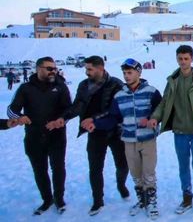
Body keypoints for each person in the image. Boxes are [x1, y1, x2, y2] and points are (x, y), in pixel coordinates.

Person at [51, 55, 128, 215]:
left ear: (101, 68)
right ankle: (97, 200)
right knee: (95, 168)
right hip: (94, 132)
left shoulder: (115, 84)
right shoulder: (84, 85)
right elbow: (78, 105)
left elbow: (117, 109)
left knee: (122, 165)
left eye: (90, 69)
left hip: (116, 131)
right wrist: (63, 118)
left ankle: (121, 185)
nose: (87, 72)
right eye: (86, 69)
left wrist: (94, 118)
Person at [93, 58, 163, 220]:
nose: (126, 76)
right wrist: (95, 124)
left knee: (149, 172)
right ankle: (142, 200)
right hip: (128, 140)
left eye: (130, 73)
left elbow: (161, 111)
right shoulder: (119, 95)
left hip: (147, 139)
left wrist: (153, 119)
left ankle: (151, 202)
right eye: (124, 73)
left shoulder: (151, 91)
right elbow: (113, 117)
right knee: (136, 173)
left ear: (139, 72)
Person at [148, 45, 193, 215]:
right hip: (180, 130)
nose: (183, 62)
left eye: (186, 58)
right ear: (177, 59)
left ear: (192, 59)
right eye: (180, 58)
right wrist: (155, 117)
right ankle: (186, 196)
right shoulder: (172, 80)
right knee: (183, 166)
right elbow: (164, 102)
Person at [7, 57, 71, 215]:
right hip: (34, 137)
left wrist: (61, 120)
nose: (53, 71)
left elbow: (69, 110)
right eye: (49, 68)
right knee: (39, 170)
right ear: (38, 69)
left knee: (58, 168)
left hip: (56, 136)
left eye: (54, 68)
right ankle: (47, 199)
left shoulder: (60, 87)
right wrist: (19, 117)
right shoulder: (26, 88)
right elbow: (11, 110)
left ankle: (59, 199)